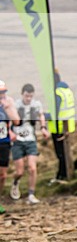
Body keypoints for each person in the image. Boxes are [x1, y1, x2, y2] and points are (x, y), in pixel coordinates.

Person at [10, 83, 50, 205]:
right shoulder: (15, 105)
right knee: (20, 171)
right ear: (22, 94)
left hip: (31, 139)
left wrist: (43, 128)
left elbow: (41, 115)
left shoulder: (36, 104)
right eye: (26, 96)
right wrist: (11, 133)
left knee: (32, 168)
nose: (28, 98)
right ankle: (15, 182)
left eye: (30, 96)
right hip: (17, 140)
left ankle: (31, 194)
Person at [48, 70, 76, 182]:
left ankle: (62, 175)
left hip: (59, 128)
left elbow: (55, 112)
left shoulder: (57, 93)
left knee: (61, 154)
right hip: (68, 126)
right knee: (65, 153)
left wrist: (42, 115)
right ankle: (63, 173)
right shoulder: (66, 91)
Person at [0, 80, 21, 213]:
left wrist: (8, 108)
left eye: (3, 92)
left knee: (2, 175)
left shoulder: (7, 103)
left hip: (3, 142)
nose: (2, 94)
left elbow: (17, 121)